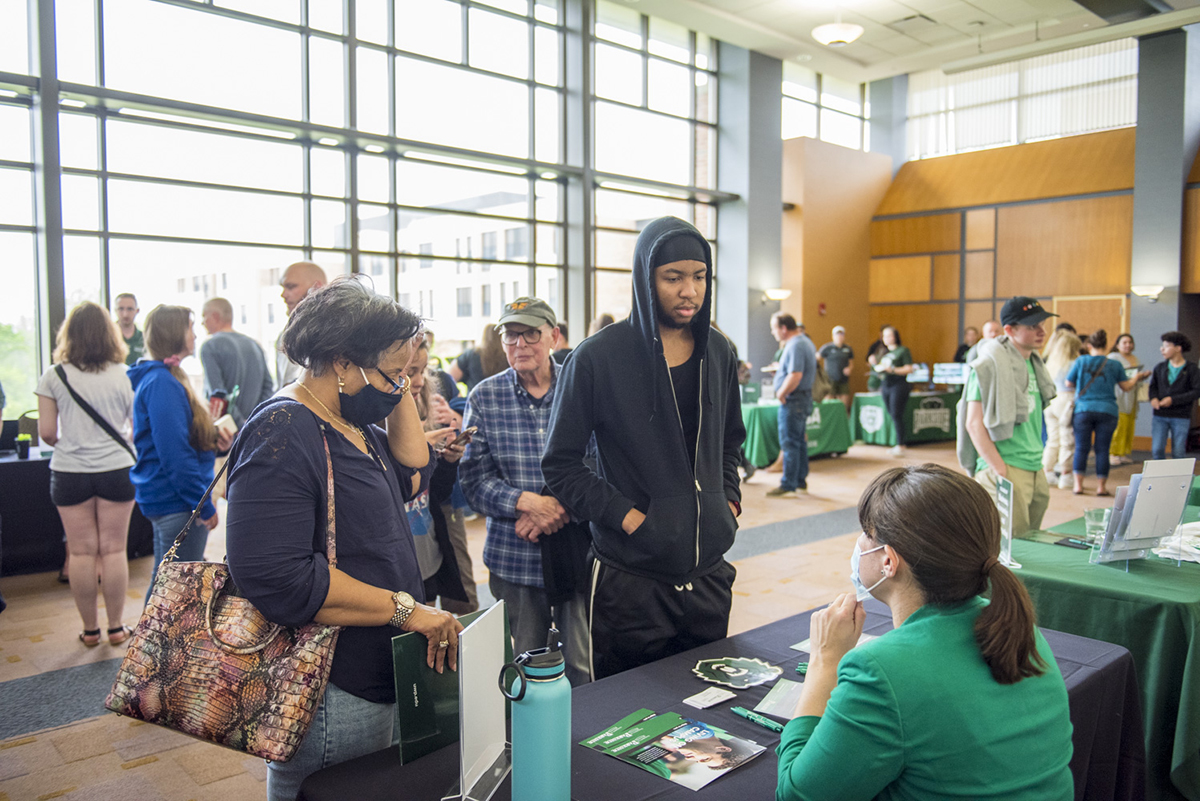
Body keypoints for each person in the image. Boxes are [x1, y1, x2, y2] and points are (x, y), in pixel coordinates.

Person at [223, 277, 462, 800]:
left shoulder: (348, 421)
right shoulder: (284, 430)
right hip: (331, 682)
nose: (403, 387)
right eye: (392, 374)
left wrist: (395, 379)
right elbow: (275, 576)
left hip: (375, 667)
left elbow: (413, 467)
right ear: (341, 361)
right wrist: (405, 609)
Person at [775, 464, 1074, 801]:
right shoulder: (1019, 629)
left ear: (888, 561)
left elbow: (796, 795)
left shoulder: (879, 670)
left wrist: (824, 660)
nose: (859, 543)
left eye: (865, 533)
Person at [543, 216, 744, 680]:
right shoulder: (597, 358)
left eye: (699, 276)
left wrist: (726, 501)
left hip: (708, 575)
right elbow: (561, 464)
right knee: (625, 718)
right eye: (673, 277)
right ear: (646, 278)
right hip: (630, 583)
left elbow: (732, 440)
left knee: (705, 706)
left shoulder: (719, 352)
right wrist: (629, 518)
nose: (689, 290)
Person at [461, 297, 590, 685]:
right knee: (522, 667)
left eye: (531, 333)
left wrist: (559, 508)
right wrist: (525, 502)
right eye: (511, 334)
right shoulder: (484, 397)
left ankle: (585, 741)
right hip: (514, 557)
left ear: (553, 336)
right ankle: (527, 742)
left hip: (575, 549)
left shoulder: (582, 385)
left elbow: (605, 462)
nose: (520, 344)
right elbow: (473, 481)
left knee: (582, 663)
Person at [34, 302, 136, 646]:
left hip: (70, 472)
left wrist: (74, 443)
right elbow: (137, 428)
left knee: (80, 552)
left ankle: (90, 631)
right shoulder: (125, 374)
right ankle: (117, 627)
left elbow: (47, 433)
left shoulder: (54, 374)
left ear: (69, 334)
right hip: (117, 469)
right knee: (113, 550)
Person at [128, 306, 233, 597]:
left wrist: (213, 440)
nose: (195, 333)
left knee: (167, 581)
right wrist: (204, 506)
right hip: (177, 500)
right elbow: (174, 456)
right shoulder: (162, 382)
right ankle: (152, 643)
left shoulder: (167, 377)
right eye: (189, 327)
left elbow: (179, 439)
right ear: (175, 333)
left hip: (174, 498)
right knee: (172, 589)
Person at [958, 297, 1057, 537]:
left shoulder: (1034, 363)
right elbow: (973, 423)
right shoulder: (987, 366)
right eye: (1032, 326)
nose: (1041, 331)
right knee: (1009, 548)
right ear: (1010, 330)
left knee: (1031, 540)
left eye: (1042, 324)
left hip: (1034, 464)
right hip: (1005, 465)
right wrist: (999, 469)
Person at [404, 336, 472, 611]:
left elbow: (435, 493)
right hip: (400, 562)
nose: (419, 380)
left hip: (427, 551)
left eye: (423, 371)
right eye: (410, 373)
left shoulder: (428, 405)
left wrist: (447, 460)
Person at [1066, 330, 1148, 496]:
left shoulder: (1081, 361)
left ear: (1089, 346)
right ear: (1105, 345)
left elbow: (1069, 382)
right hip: (1107, 410)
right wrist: (1136, 378)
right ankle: (1101, 487)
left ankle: (1078, 486)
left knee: (1081, 448)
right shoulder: (1114, 364)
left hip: (1083, 409)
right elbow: (1126, 387)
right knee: (1102, 449)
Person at [199, 297, 276, 426]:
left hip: (228, 431)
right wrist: (255, 421)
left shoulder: (210, 346)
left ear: (215, 316)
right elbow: (268, 387)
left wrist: (240, 424)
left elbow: (217, 394)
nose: (202, 323)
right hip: (256, 428)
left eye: (204, 317)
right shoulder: (254, 345)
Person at [768, 312, 816, 498]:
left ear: (783, 328)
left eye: (774, 329)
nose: (773, 333)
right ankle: (800, 479)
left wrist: (781, 392)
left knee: (790, 442)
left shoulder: (795, 345)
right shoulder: (804, 341)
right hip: (801, 398)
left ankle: (788, 484)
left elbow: (796, 375)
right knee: (799, 441)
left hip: (793, 399)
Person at [1148, 331, 1200, 460]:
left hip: (1181, 416)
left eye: (1166, 346)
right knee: (1157, 449)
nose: (1162, 349)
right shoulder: (1160, 368)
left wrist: (1173, 400)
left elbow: (1196, 392)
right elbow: (1153, 387)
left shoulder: (1192, 369)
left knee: (1178, 451)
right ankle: (1159, 477)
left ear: (1178, 348)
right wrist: (1153, 398)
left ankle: (1178, 479)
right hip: (1160, 415)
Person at [1041, 330, 1081, 490]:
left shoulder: (1050, 363)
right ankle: (1065, 475)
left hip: (1051, 402)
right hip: (1067, 401)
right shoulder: (1074, 363)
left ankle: (1047, 471)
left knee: (1052, 440)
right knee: (1067, 441)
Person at [277, 261, 328, 387]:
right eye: (283, 287)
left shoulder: (333, 335)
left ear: (316, 287)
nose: (283, 294)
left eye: (291, 286)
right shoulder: (284, 335)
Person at [875, 326, 915, 457]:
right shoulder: (883, 352)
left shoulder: (903, 351)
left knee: (897, 413)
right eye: (884, 336)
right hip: (885, 384)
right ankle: (897, 443)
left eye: (889, 335)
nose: (886, 338)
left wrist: (892, 370)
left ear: (895, 336)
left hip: (899, 385)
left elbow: (909, 368)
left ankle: (901, 444)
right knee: (891, 413)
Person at [1108, 333, 1146, 466]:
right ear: (1117, 345)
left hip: (1131, 395)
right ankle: (1113, 453)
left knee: (1128, 425)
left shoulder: (1135, 358)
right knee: (1119, 425)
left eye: (1130, 342)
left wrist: (1141, 377)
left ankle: (1122, 452)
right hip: (1119, 394)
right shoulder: (1113, 358)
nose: (1128, 345)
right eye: (1124, 342)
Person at [449, 324, 507, 393]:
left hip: (475, 399)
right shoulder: (508, 357)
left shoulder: (471, 355)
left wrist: (458, 396)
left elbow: (449, 379)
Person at [818, 326, 854, 411]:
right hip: (830, 379)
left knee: (843, 403)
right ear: (833, 336)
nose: (839, 337)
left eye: (841, 335)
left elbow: (851, 363)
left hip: (843, 379)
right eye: (837, 335)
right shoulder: (827, 348)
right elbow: (817, 358)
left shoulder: (848, 349)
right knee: (828, 401)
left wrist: (849, 369)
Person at [113, 293, 144, 366]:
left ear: (137, 311)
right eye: (121, 309)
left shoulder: (145, 338)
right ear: (115, 311)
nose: (125, 314)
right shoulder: (107, 338)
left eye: (130, 309)